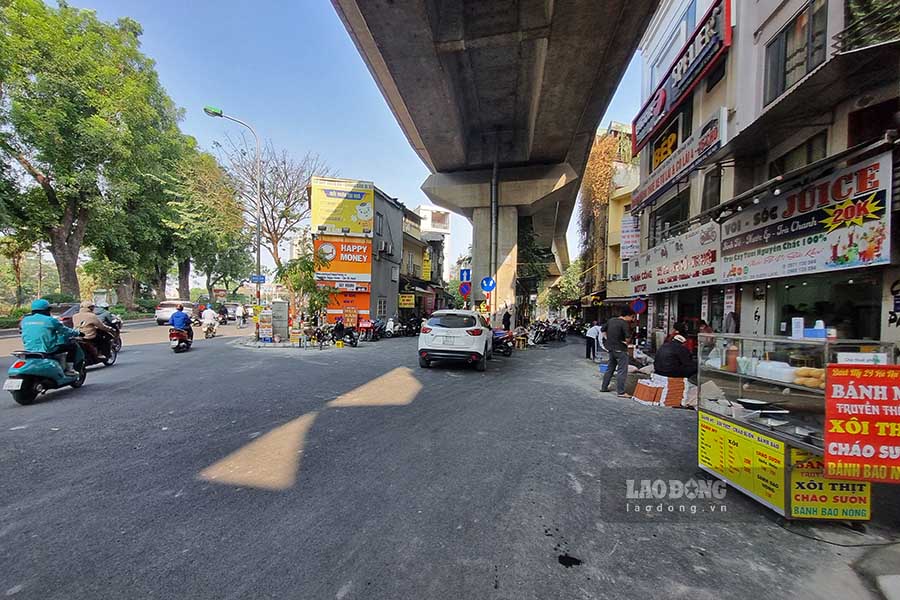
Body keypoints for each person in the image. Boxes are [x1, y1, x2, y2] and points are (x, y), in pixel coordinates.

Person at [20, 299, 81, 376]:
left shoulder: (25, 320)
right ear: (47, 310)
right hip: (48, 349)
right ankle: (69, 370)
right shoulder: (50, 320)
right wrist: (77, 333)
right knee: (73, 346)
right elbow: (65, 331)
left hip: (29, 349)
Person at [601, 308, 636, 397]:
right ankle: (621, 392)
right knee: (622, 370)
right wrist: (626, 342)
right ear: (628, 315)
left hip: (611, 348)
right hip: (620, 349)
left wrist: (608, 339)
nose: (632, 319)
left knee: (610, 368)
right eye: (632, 317)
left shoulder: (611, 320)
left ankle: (604, 387)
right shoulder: (624, 323)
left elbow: (602, 330)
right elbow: (628, 338)